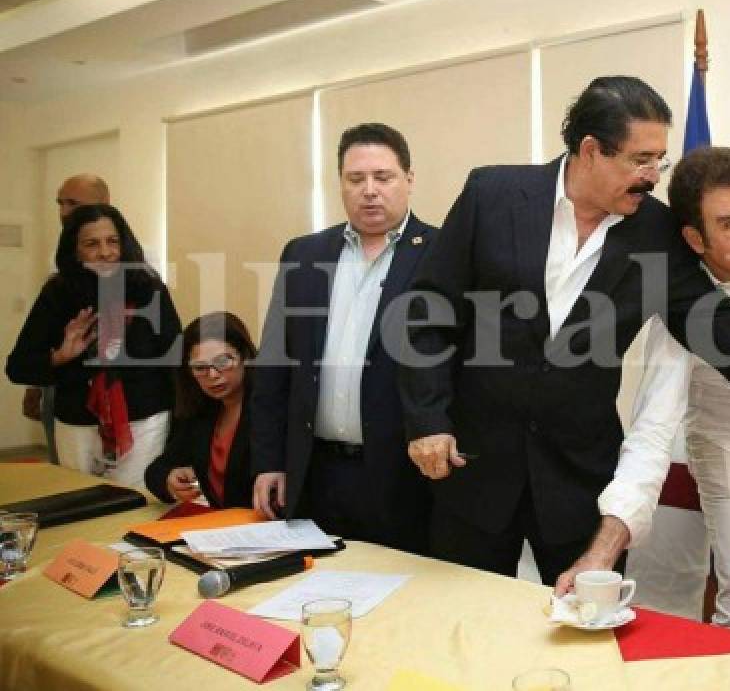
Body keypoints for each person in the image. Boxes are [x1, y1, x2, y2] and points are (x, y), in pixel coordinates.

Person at [401, 76, 730, 586]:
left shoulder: (655, 232)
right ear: (591, 150)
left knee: (584, 635)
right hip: (474, 469)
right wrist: (426, 418)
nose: (653, 176)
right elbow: (427, 312)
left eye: (659, 161)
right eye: (641, 160)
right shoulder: (493, 195)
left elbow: (719, 327)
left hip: (578, 480)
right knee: (469, 627)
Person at [558, 146, 730, 632]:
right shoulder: (680, 304)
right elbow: (654, 425)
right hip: (728, 452)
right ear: (694, 238)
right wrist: (611, 535)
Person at [250, 123, 436, 552]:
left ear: (408, 179)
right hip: (315, 472)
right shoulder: (304, 254)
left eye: (383, 177)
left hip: (402, 479)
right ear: (341, 184)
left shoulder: (440, 254)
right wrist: (268, 462)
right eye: (356, 179)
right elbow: (275, 365)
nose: (369, 190)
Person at [7, 204, 181, 486]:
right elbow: (17, 367)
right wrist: (59, 357)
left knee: (137, 503)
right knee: (80, 501)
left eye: (112, 241)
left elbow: (174, 356)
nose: (105, 252)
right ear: (74, 251)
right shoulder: (58, 293)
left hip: (144, 418)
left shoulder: (147, 287)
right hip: (77, 419)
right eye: (92, 244)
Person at [22, 173, 112, 462]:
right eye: (59, 203)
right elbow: (47, 327)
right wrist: (35, 382)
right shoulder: (61, 259)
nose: (63, 212)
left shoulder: (138, 256)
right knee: (66, 467)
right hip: (67, 384)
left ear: (104, 204)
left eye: (72, 203)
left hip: (119, 388)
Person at [145, 312, 256, 508]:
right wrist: (169, 480)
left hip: (266, 527)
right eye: (200, 368)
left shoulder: (269, 407)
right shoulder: (201, 408)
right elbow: (157, 469)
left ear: (245, 357)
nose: (212, 375)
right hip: (217, 527)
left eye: (223, 362)